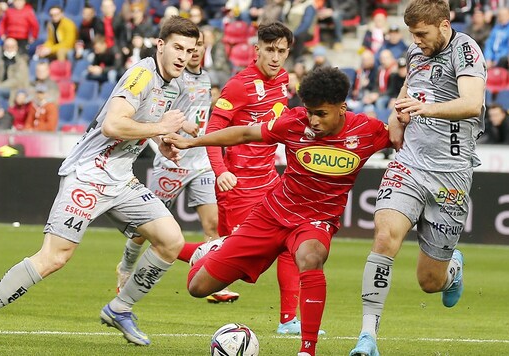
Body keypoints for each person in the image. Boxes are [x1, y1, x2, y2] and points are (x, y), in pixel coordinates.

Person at [0, 16, 200, 346]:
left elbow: (152, 125)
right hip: (89, 174)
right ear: (160, 45)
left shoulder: (180, 86)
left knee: (171, 240)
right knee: (55, 257)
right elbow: (114, 125)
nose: (183, 56)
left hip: (121, 178)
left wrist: (166, 142)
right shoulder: (142, 74)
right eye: (177, 47)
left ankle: (120, 308)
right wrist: (159, 129)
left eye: (189, 49)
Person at [164, 66, 391, 356]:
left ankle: (307, 350)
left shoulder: (367, 130)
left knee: (311, 257)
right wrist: (192, 141)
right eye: (309, 112)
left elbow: (403, 138)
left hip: (315, 221)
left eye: (321, 113)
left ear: (342, 108)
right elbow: (245, 133)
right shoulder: (294, 122)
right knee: (197, 287)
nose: (313, 120)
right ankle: (214, 248)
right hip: (271, 215)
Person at [350, 0, 486, 355]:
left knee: (429, 282)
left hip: (452, 176)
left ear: (444, 25)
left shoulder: (467, 51)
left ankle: (452, 269)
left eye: (422, 34)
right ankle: (367, 337)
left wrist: (426, 109)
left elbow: (472, 103)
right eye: (412, 34)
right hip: (409, 164)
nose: (417, 40)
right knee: (384, 236)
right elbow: (409, 88)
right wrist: (398, 112)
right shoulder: (415, 51)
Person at [205, 22, 311, 331]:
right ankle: (168, 248)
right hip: (238, 186)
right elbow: (214, 131)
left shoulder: (282, 80)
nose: (276, 57)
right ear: (257, 50)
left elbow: (277, 120)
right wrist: (221, 170)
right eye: (269, 50)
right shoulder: (239, 85)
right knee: (234, 262)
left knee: (293, 241)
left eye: (281, 51)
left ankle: (289, 320)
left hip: (269, 182)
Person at [115, 30, 220, 295]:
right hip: (172, 161)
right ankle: (126, 266)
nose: (194, 52)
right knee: (146, 228)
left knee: (212, 225)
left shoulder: (207, 79)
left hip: (200, 162)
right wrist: (182, 124)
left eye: (198, 46)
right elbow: (158, 110)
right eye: (190, 47)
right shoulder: (174, 77)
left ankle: (212, 280)